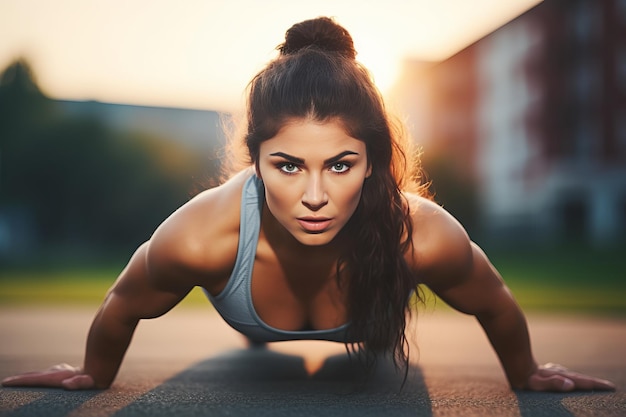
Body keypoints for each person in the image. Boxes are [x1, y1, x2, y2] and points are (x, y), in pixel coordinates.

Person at [1, 17, 615, 393]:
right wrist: (92, 375)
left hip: (369, 326)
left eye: (341, 165)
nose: (315, 196)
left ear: (372, 161)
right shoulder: (200, 236)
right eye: (288, 165)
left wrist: (526, 372)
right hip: (252, 309)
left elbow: (497, 305)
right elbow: (121, 304)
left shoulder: (421, 235)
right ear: (255, 158)